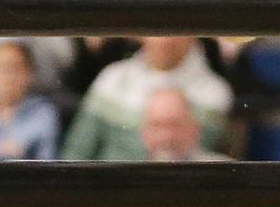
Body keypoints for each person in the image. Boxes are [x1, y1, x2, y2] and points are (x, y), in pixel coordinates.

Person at [60, 36, 232, 160]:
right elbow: (77, 152)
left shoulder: (215, 93)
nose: (167, 39)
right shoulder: (111, 79)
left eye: (179, 30)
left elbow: (191, 157)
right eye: (158, 29)